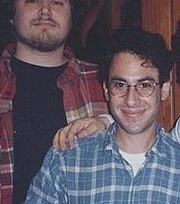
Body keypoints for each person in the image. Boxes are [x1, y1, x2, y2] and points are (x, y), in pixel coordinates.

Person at [0, 0, 108, 204]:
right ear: (12, 13)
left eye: (57, 1)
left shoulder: (106, 86)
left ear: (73, 14)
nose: (45, 10)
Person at [26, 28, 180, 203]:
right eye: (120, 85)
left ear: (164, 89)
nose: (131, 100)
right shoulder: (67, 160)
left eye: (144, 85)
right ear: (106, 90)